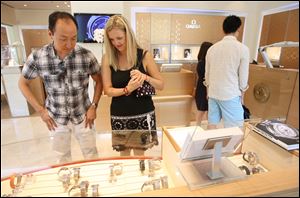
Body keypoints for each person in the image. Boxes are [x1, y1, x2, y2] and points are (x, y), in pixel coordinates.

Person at [18, 11, 103, 163]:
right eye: (63, 39)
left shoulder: (86, 55)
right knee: (61, 158)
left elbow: (99, 80)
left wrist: (94, 106)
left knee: (91, 155)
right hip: (55, 118)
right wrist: (40, 110)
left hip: (83, 115)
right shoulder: (38, 57)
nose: (69, 45)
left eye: (74, 38)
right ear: (50, 33)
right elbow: (23, 84)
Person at [101, 15, 164, 156]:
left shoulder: (144, 56)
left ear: (128, 34)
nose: (115, 43)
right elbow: (107, 91)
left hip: (143, 112)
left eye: (119, 38)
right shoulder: (108, 58)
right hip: (120, 114)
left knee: (140, 155)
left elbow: (161, 84)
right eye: (111, 40)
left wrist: (145, 77)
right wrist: (127, 89)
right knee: (124, 155)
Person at [204, 15, 249, 128]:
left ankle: (214, 146)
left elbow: (207, 76)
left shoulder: (212, 49)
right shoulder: (242, 49)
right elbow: (243, 80)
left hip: (213, 93)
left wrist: (209, 92)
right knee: (235, 130)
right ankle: (229, 147)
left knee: (212, 125)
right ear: (238, 29)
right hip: (230, 94)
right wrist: (242, 96)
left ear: (223, 29)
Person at [195, 42, 213, 126]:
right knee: (203, 110)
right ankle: (198, 127)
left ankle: (200, 126)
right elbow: (206, 78)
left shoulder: (200, 62)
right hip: (204, 88)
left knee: (203, 110)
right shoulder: (204, 63)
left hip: (201, 88)